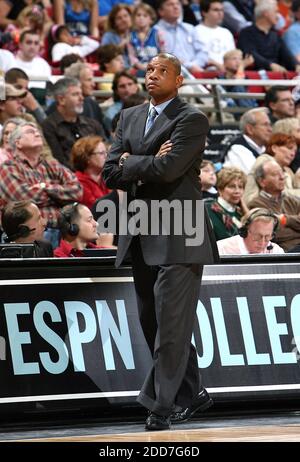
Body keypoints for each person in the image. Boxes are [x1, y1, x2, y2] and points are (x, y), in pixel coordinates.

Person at [102, 52, 218, 431]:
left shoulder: (192, 118)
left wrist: (131, 162)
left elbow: (169, 171)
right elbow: (108, 173)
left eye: (162, 71)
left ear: (179, 80)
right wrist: (143, 159)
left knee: (170, 325)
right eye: (149, 70)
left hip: (180, 233)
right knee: (155, 324)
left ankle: (159, 407)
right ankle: (192, 393)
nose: (152, 75)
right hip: (139, 230)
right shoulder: (129, 116)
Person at [217, 208, 285, 254]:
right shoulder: (222, 249)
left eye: (267, 237)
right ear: (244, 232)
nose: (262, 242)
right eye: (257, 236)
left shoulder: (275, 251)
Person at [206, 167, 248, 240]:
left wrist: (246, 211)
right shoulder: (208, 209)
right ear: (220, 189)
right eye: (232, 186)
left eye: (240, 187)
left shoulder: (241, 213)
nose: (237, 191)